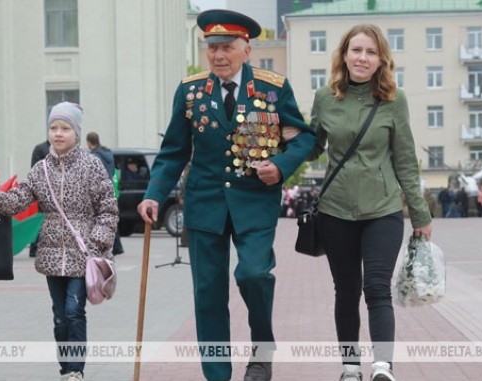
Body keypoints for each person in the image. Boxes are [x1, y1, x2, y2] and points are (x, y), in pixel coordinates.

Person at [137, 9, 315, 381]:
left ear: (246, 49)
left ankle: (262, 350)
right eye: (212, 48)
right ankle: (217, 374)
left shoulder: (272, 88)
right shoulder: (190, 91)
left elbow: (303, 139)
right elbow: (173, 151)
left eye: (226, 48)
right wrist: (154, 193)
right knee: (208, 293)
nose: (218, 55)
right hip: (204, 206)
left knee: (254, 275)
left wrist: (281, 166)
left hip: (255, 202)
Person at [308, 24, 432, 381]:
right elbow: (313, 146)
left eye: (371, 52)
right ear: (344, 54)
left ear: (381, 61)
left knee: (376, 288)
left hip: (383, 210)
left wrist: (420, 213)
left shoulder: (395, 100)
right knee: (345, 292)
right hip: (335, 212)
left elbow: (406, 160)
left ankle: (382, 367)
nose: (363, 58)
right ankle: (350, 367)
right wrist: (279, 141)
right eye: (356, 50)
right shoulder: (325, 97)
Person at [0, 102, 118, 381]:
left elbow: (108, 207)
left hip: (85, 254)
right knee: (59, 316)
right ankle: (65, 368)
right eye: (53, 128)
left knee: (73, 311)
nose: (58, 134)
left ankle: (75, 370)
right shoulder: (40, 170)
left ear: (77, 133)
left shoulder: (91, 166)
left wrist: (98, 242)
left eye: (65, 128)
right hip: (51, 254)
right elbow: (16, 202)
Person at [86, 132, 124, 255]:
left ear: (89, 142)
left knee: (100, 218)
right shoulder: (108, 154)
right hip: (112, 189)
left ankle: (112, 247)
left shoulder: (95, 156)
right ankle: (117, 247)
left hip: (99, 190)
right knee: (110, 217)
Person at [28, 139, 51, 257]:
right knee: (40, 219)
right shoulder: (41, 148)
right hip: (44, 190)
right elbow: (35, 169)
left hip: (56, 192)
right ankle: (34, 248)